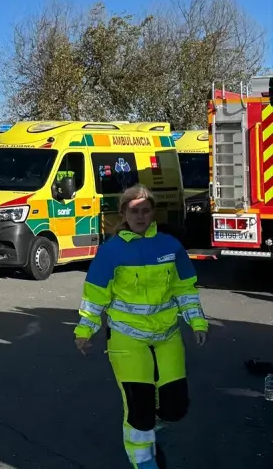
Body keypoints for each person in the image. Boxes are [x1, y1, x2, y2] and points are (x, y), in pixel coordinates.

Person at [74, 184, 208, 469]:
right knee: (139, 409)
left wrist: (197, 322)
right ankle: (143, 459)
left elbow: (186, 289)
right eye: (134, 211)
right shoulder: (110, 252)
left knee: (175, 408)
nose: (140, 216)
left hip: (167, 336)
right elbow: (95, 296)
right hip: (127, 339)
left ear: (153, 213)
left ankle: (151, 422)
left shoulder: (170, 247)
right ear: (123, 213)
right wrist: (84, 330)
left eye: (146, 210)